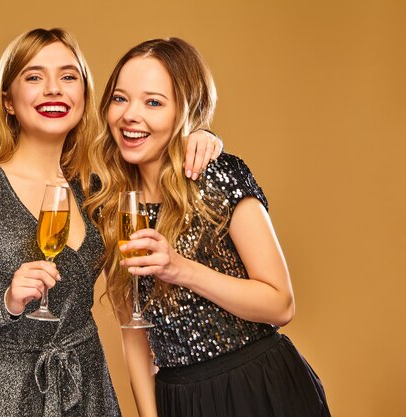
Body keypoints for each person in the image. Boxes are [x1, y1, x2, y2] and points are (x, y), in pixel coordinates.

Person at [0, 28, 222, 417]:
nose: (54, 89)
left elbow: (157, 140)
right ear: (8, 100)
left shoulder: (99, 185)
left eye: (68, 76)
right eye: (35, 77)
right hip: (7, 395)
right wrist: (3, 303)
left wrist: (201, 134)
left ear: (84, 95)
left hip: (87, 387)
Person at [86, 38, 331, 417]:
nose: (130, 115)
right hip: (179, 399)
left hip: (258, 387)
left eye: (153, 102)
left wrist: (181, 270)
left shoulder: (216, 176)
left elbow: (281, 304)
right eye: (120, 98)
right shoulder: (110, 201)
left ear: (184, 111)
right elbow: (132, 331)